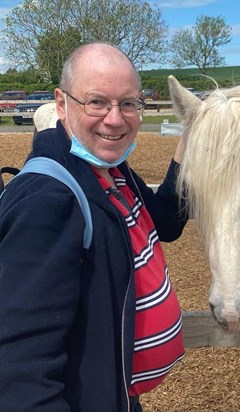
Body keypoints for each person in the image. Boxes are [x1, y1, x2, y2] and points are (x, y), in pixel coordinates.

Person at [0, 43, 189, 412]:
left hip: (118, 394)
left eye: (129, 103)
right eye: (97, 102)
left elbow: (165, 221)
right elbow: (20, 374)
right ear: (61, 103)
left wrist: (193, 139)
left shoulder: (112, 171)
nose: (115, 119)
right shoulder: (48, 201)